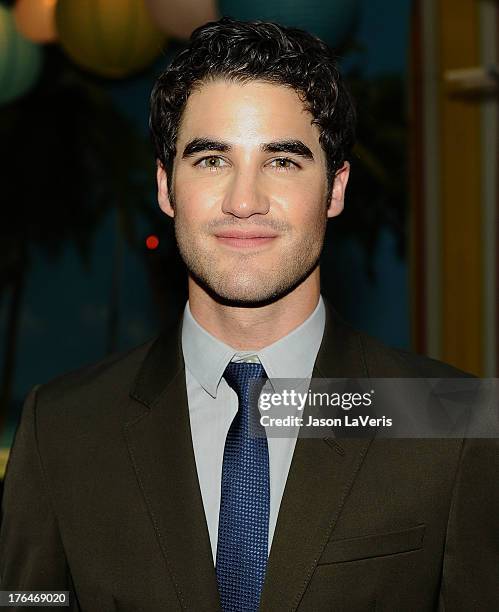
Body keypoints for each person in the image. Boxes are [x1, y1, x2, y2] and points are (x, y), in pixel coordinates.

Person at [1, 16, 498, 612]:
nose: (244, 201)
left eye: (282, 161)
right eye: (212, 160)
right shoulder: (61, 428)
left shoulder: (451, 420)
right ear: (166, 186)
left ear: (335, 189)